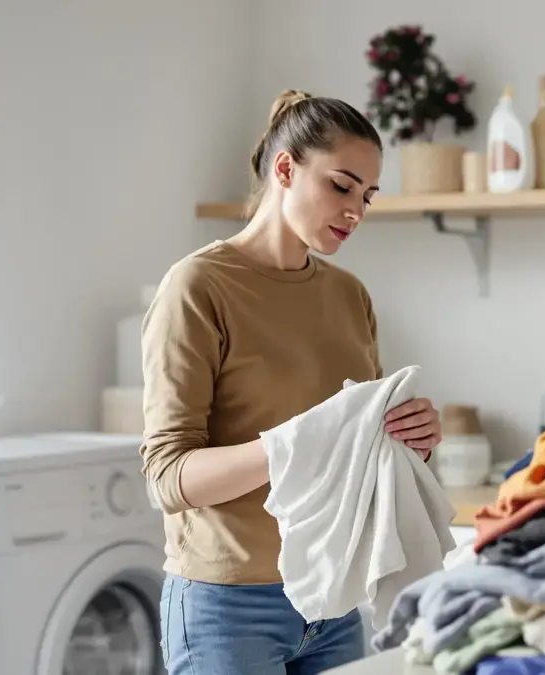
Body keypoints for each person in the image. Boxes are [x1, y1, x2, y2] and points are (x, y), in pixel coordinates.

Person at [140, 89, 444, 675]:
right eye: (341, 185)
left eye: (368, 195)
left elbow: (357, 454)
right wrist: (297, 443)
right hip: (226, 609)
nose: (356, 209)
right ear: (285, 168)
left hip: (334, 600)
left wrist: (415, 440)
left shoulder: (348, 296)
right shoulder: (198, 288)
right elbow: (168, 478)